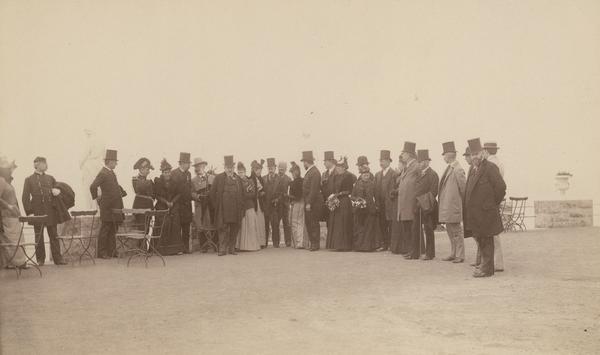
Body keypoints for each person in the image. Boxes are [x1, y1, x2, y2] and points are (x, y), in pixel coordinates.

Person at [464, 138, 506, 277]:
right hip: (475, 214)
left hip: (486, 212)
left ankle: (487, 270)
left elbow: (501, 188)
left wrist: (491, 204)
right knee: (481, 240)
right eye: (472, 155)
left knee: (487, 240)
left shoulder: (490, 168)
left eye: (476, 154)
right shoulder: (472, 169)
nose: (474, 157)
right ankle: (484, 266)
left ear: (482, 153)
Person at [21, 157, 68, 265]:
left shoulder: (51, 178)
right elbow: (25, 198)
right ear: (36, 164)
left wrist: (58, 190)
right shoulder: (29, 179)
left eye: (46, 163)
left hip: (51, 211)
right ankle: (40, 260)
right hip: (37, 212)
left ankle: (58, 259)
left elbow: (58, 189)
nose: (46, 165)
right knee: (38, 236)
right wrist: (29, 212)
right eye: (44, 163)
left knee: (54, 235)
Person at [89, 149, 127, 259]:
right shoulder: (103, 173)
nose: (116, 163)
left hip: (114, 206)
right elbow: (93, 186)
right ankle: (102, 253)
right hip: (107, 207)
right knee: (105, 229)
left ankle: (112, 252)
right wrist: (97, 199)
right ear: (109, 161)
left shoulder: (110, 172)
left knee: (112, 229)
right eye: (115, 161)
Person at [438, 142, 467, 263]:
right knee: (450, 230)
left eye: (444, 154)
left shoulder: (458, 169)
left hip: (453, 206)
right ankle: (453, 252)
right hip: (448, 206)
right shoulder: (450, 168)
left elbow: (463, 189)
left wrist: (461, 205)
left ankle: (460, 255)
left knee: (456, 231)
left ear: (449, 155)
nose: (443, 157)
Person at [210, 155, 244, 256]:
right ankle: (222, 249)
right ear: (224, 167)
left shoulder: (238, 179)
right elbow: (212, 193)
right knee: (222, 228)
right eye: (228, 167)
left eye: (231, 167)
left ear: (233, 168)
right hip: (223, 209)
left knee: (234, 228)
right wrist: (217, 206)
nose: (230, 169)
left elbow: (242, 194)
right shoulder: (219, 178)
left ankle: (232, 249)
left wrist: (241, 207)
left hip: (235, 209)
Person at [0, 157, 28, 269]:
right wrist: (9, 206)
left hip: (14, 216)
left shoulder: (6, 182)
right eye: (9, 169)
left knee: (17, 239)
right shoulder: (1, 180)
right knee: (11, 239)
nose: (11, 171)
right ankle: (14, 263)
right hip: (7, 216)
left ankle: (20, 262)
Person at [396, 142, 421, 260]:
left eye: (404, 153)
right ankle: (410, 250)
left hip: (411, 202)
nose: (402, 155)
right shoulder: (407, 167)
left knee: (412, 228)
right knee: (407, 227)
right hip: (404, 203)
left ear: (410, 154)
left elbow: (420, 184)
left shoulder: (416, 166)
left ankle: (414, 252)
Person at [326, 156, 356, 251]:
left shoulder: (349, 176)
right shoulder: (335, 177)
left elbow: (350, 190)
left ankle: (345, 245)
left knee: (343, 222)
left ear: (344, 167)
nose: (337, 169)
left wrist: (339, 194)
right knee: (336, 222)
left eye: (339, 167)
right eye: (337, 167)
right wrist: (333, 196)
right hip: (336, 201)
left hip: (344, 201)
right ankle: (336, 244)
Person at [153, 159, 183, 255]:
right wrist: (166, 202)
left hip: (173, 206)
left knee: (175, 223)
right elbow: (156, 195)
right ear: (162, 173)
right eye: (165, 172)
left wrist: (172, 202)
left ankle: (175, 249)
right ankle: (161, 249)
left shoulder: (175, 182)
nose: (167, 174)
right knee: (164, 224)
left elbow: (179, 194)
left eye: (169, 172)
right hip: (162, 206)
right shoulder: (158, 182)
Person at [352, 156, 381, 252]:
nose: (366, 176)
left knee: (369, 228)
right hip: (360, 209)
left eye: (367, 174)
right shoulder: (358, 183)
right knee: (360, 227)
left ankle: (368, 246)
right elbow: (353, 195)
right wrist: (357, 201)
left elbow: (376, 195)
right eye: (364, 174)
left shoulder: (372, 182)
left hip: (369, 208)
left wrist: (376, 206)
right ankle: (359, 246)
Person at [414, 150, 439, 260]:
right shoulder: (419, 174)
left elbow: (433, 192)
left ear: (426, 162)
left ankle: (430, 253)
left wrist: (422, 202)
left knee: (428, 229)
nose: (419, 164)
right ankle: (418, 251)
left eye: (420, 162)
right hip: (418, 206)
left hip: (428, 206)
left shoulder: (433, 174)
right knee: (417, 228)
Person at [484, 141, 505, 272]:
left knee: (492, 233)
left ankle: (497, 263)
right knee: (494, 233)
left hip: (490, 202)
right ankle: (496, 261)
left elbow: (497, 185)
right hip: (494, 201)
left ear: (486, 151)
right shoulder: (499, 163)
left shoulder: (491, 164)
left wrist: (493, 200)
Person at [374, 150, 397, 251]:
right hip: (380, 203)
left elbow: (395, 188)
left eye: (383, 160)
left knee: (391, 224)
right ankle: (384, 244)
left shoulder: (394, 174)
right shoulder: (377, 174)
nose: (381, 163)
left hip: (390, 203)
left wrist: (391, 198)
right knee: (382, 224)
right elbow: (375, 189)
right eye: (380, 160)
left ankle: (392, 244)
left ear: (388, 161)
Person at [170, 152, 193, 253]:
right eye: (187, 163)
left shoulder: (188, 174)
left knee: (186, 227)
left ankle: (186, 248)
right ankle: (177, 248)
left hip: (187, 204)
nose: (189, 165)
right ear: (182, 163)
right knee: (177, 227)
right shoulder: (174, 173)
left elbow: (189, 187)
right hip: (178, 205)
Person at [236, 162, 262, 251]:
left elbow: (253, 194)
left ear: (245, 172)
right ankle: (241, 246)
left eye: (242, 172)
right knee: (242, 227)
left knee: (250, 226)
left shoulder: (249, 181)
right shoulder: (235, 181)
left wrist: (243, 195)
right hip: (240, 207)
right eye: (239, 172)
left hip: (249, 206)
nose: (240, 174)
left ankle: (251, 245)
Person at [191, 157, 215, 252]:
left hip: (210, 206)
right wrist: (198, 197)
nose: (198, 168)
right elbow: (191, 193)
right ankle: (203, 246)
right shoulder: (193, 180)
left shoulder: (212, 178)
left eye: (200, 166)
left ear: (204, 166)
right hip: (200, 205)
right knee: (200, 224)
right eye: (196, 166)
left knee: (211, 222)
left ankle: (213, 244)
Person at [301, 151, 323, 251]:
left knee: (313, 222)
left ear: (307, 162)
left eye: (304, 162)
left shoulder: (314, 172)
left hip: (313, 203)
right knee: (309, 222)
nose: (303, 164)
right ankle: (313, 242)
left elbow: (314, 190)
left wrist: (309, 202)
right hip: (309, 201)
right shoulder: (312, 171)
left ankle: (315, 243)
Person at [288, 162, 309, 249]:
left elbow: (294, 196)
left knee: (294, 223)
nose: (292, 174)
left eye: (292, 172)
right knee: (301, 223)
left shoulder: (292, 183)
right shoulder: (303, 180)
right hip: (303, 202)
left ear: (294, 172)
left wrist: (288, 197)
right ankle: (301, 242)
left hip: (296, 204)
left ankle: (297, 243)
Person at [131, 157, 155, 231]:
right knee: (142, 231)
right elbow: (140, 188)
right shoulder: (135, 179)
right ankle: (141, 243)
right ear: (141, 169)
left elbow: (153, 191)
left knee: (146, 230)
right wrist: (148, 180)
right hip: (140, 208)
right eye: (147, 169)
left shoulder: (148, 179)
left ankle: (143, 243)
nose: (149, 172)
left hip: (149, 207)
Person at [263, 158, 281, 247]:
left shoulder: (279, 179)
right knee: (265, 225)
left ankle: (276, 243)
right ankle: (264, 243)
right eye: (269, 167)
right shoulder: (263, 179)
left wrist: (277, 199)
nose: (271, 169)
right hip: (266, 206)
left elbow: (282, 193)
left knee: (275, 225)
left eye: (272, 167)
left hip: (275, 206)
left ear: (275, 168)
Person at [249, 160, 267, 248]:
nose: (259, 172)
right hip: (255, 203)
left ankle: (261, 242)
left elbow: (263, 190)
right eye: (258, 170)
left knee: (261, 221)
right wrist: (259, 194)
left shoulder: (260, 179)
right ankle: (256, 242)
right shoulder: (251, 179)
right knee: (256, 222)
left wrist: (262, 193)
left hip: (260, 203)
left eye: (260, 170)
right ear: (254, 170)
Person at [274, 161, 292, 246]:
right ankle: (276, 242)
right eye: (279, 169)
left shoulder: (288, 179)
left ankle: (288, 241)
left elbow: (291, 192)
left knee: (286, 224)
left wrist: (288, 198)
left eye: (282, 169)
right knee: (276, 223)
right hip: (276, 205)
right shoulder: (275, 178)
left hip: (285, 204)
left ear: (285, 170)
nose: (280, 171)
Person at [321, 151, 336, 226]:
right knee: (329, 224)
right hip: (327, 203)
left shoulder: (338, 171)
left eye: (325, 161)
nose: (324, 163)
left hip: (336, 203)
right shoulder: (324, 174)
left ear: (331, 161)